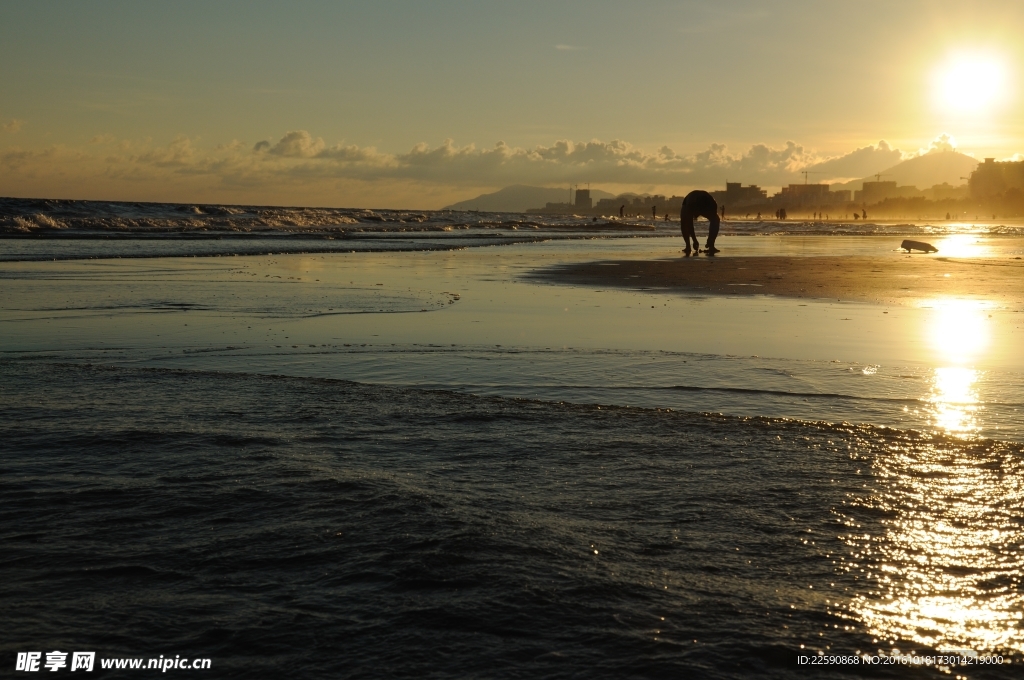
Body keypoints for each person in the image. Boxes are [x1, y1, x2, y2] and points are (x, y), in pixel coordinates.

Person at [680, 189, 721, 254]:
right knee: (684, 222)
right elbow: (689, 224)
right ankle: (688, 246)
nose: (696, 216)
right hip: (688, 201)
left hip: (703, 202)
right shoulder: (691, 204)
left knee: (716, 219)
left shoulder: (712, 204)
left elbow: (715, 221)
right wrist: (694, 240)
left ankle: (711, 245)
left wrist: (710, 239)